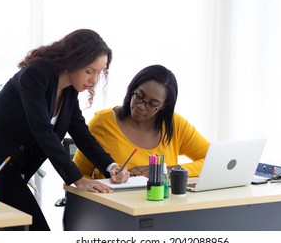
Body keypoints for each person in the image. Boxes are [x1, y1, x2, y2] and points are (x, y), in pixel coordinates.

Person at [0, 29, 129, 231]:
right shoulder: (34, 75)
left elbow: (82, 135)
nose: (94, 80)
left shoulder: (69, 93)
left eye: (100, 72)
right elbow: (42, 131)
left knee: (38, 231)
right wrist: (77, 179)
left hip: (7, 173)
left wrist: (110, 166)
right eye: (89, 71)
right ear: (71, 60)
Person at [72, 64, 210, 179]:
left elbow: (213, 161)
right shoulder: (103, 123)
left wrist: (164, 171)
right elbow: (78, 174)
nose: (141, 106)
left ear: (164, 106)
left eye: (152, 104)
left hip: (163, 208)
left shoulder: (175, 124)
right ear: (133, 89)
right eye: (139, 96)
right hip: (112, 208)